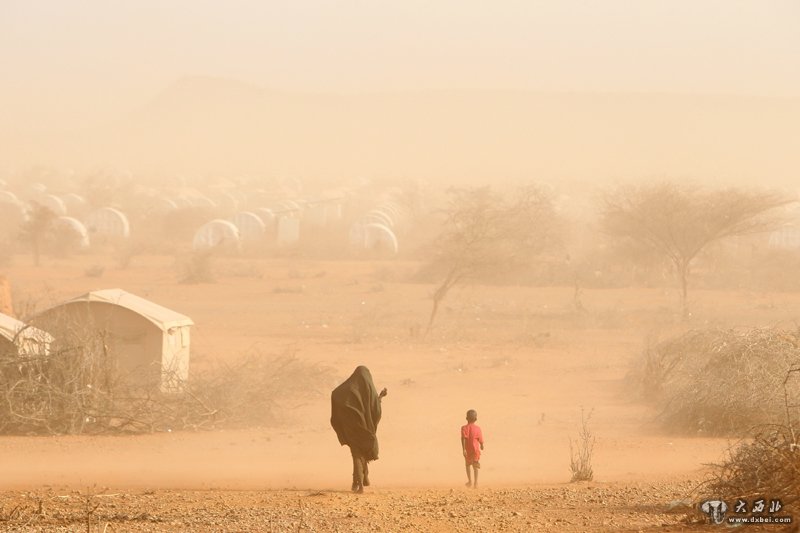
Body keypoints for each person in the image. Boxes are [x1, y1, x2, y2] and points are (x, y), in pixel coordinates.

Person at [330, 366, 388, 493]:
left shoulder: (347, 389)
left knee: (356, 453)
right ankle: (360, 482)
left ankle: (359, 482)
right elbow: (375, 410)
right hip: (365, 428)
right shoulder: (369, 389)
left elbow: (336, 395)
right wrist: (380, 398)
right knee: (361, 452)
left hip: (351, 428)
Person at [461, 409, 484, 488]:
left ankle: (470, 481)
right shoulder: (478, 428)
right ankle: (476, 483)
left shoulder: (464, 428)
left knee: (468, 465)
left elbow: (463, 438)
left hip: (468, 450)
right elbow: (480, 438)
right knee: (475, 465)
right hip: (475, 450)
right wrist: (481, 445)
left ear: (466, 418)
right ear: (476, 419)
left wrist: (463, 449)